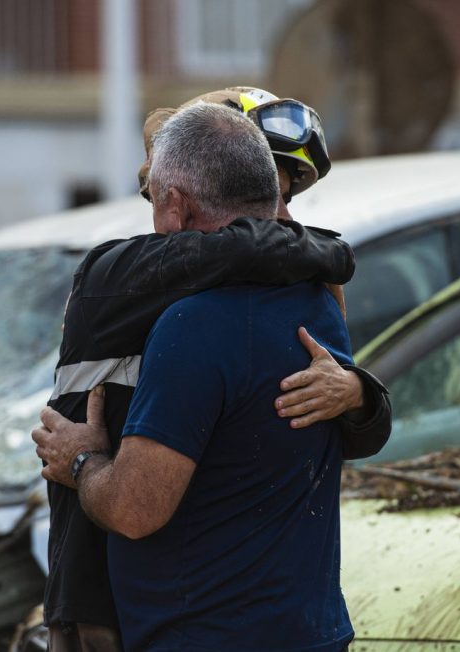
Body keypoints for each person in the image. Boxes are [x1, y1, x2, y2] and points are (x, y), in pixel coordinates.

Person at [33, 88, 391, 651]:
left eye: (287, 195)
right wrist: (332, 257)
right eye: (272, 191)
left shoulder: (252, 305)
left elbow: (140, 505)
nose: (285, 220)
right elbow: (242, 249)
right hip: (124, 604)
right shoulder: (120, 277)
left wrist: (358, 394)